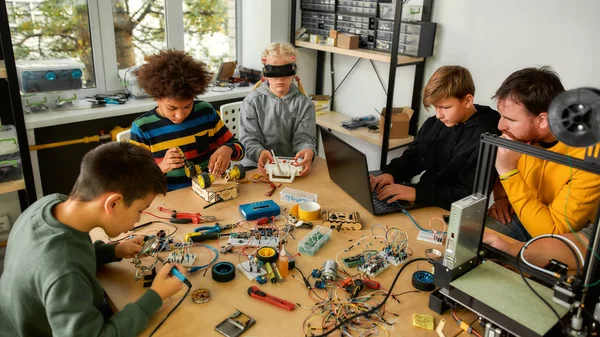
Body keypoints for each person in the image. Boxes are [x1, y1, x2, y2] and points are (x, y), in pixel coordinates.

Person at [0, 142, 185, 337]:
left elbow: (69, 250)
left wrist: (112, 251)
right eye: (139, 211)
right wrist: (155, 297)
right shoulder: (64, 271)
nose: (138, 220)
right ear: (113, 203)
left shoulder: (50, 204)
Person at [486, 66, 600, 241]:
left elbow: (551, 234)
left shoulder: (589, 159)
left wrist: (507, 171)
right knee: (470, 239)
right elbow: (502, 165)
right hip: (520, 216)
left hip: (560, 237)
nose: (501, 126)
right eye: (502, 116)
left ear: (542, 120)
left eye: (510, 119)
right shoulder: (523, 136)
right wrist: (502, 197)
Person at [370, 65, 500, 210]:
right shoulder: (436, 122)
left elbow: (470, 195)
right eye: (435, 107)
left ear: (468, 100)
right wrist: (391, 173)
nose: (439, 115)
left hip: (449, 210)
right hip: (424, 198)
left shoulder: (487, 136)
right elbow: (414, 156)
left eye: (445, 107)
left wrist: (417, 194)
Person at [130, 49, 244, 191]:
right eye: (172, 108)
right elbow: (136, 181)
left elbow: (238, 148)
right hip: (172, 196)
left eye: (188, 106)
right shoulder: (142, 128)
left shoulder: (206, 112)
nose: (180, 115)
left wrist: (228, 149)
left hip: (211, 189)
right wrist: (161, 167)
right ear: (156, 98)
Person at [239, 42, 316, 176]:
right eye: (274, 72)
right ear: (265, 73)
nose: (280, 79)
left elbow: (304, 138)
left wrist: (308, 150)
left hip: (291, 166)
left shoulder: (304, 103)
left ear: (293, 72)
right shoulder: (252, 102)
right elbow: (249, 139)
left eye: (285, 72)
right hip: (256, 165)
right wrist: (259, 153)